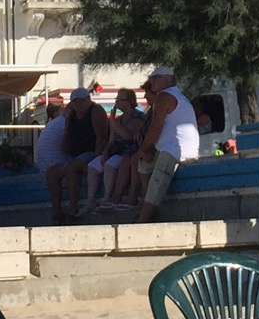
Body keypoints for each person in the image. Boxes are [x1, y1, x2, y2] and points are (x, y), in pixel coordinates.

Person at [135, 66, 203, 223]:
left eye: (154, 78)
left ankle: (143, 219)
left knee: (157, 179)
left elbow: (155, 129)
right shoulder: (178, 96)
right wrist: (147, 151)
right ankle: (149, 207)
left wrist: (142, 149)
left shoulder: (164, 96)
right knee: (143, 165)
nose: (151, 82)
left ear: (165, 79)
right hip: (172, 147)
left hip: (176, 149)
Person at [48, 87, 110, 221]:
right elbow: (67, 136)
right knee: (51, 172)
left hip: (90, 153)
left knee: (71, 168)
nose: (79, 104)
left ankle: (73, 209)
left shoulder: (96, 111)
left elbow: (101, 137)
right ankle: (57, 212)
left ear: (88, 99)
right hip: (73, 154)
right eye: (76, 102)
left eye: (82, 101)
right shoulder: (71, 115)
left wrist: (96, 159)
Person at [87, 88, 146, 212]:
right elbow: (111, 140)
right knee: (93, 166)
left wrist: (113, 121)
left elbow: (127, 136)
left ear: (128, 102)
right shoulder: (118, 119)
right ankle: (90, 200)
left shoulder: (138, 117)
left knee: (110, 165)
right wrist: (105, 151)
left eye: (119, 99)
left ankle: (108, 197)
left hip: (128, 151)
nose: (116, 101)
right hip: (115, 151)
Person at [34, 95, 69, 217]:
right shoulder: (64, 122)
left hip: (43, 166)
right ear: (57, 112)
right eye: (63, 109)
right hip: (54, 165)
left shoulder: (50, 125)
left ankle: (57, 213)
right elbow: (69, 146)